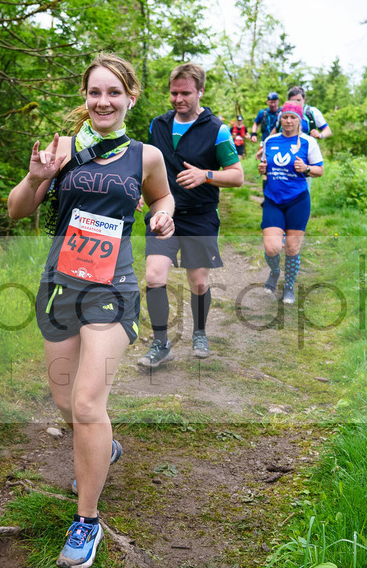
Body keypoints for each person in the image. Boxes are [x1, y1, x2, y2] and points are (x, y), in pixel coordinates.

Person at [7, 53, 174, 568]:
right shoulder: (62, 150)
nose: (103, 102)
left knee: (84, 404)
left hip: (114, 287)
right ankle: (105, 448)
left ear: (130, 98)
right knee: (65, 402)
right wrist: (36, 178)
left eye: (113, 93)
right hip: (60, 284)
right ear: (85, 98)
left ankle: (86, 523)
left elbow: (161, 199)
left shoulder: (145, 155)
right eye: (94, 92)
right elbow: (16, 210)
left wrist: (163, 217)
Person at [138, 63, 244, 367]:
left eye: (185, 93)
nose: (178, 99)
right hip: (163, 213)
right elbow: (146, 166)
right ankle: (161, 343)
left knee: (198, 282)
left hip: (200, 216)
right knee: (154, 276)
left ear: (200, 91)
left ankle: (199, 332)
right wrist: (134, 189)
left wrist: (205, 175)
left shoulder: (217, 130)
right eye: (173, 93)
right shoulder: (157, 125)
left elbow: (237, 176)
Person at [257, 101, 324, 305]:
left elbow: (319, 170)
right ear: (281, 118)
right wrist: (262, 168)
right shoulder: (271, 140)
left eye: (292, 117)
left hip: (298, 201)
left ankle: (288, 287)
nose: (288, 120)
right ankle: (275, 271)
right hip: (273, 200)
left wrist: (306, 168)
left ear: (299, 120)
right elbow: (265, 164)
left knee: (292, 249)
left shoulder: (308, 142)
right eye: (285, 116)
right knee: (272, 248)